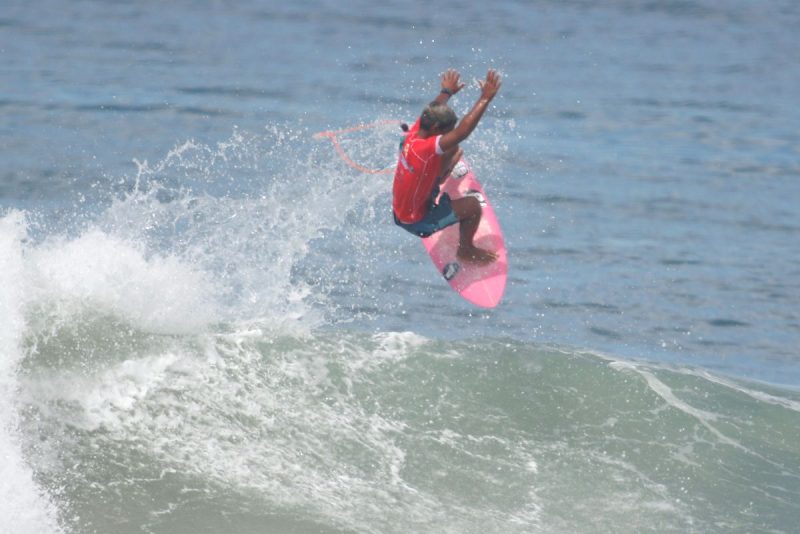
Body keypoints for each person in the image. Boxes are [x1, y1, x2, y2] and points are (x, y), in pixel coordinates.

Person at [392, 68, 502, 264]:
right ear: (435, 129)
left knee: (453, 150)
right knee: (473, 206)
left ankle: (438, 178)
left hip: (401, 208)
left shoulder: (416, 131)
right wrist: (485, 99)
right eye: (446, 133)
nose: (448, 135)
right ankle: (466, 250)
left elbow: (434, 108)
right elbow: (462, 132)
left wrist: (447, 91)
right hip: (416, 221)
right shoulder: (425, 149)